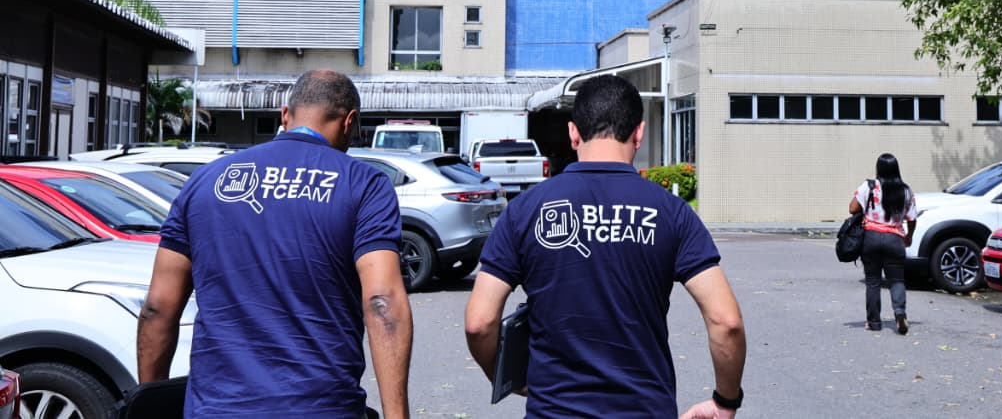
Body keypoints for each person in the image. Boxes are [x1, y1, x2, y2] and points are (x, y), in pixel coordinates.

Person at [464, 74, 746, 419]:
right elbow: (726, 322)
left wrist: (505, 378)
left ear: (573, 133)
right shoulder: (672, 213)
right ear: (639, 133)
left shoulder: (525, 210)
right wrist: (725, 402)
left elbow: (479, 323)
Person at [137, 69, 413, 419]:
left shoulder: (206, 180)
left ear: (285, 115)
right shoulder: (364, 184)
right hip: (321, 409)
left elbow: (157, 308)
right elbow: (382, 302)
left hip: (216, 409)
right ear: (350, 122)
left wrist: (151, 404)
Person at [848, 153, 918, 335]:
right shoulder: (906, 190)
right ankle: (900, 313)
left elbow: (852, 208)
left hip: (871, 237)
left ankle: (873, 322)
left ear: (878, 168)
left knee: (873, 282)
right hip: (894, 238)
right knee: (896, 280)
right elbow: (912, 218)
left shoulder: (870, 186)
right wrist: (909, 236)